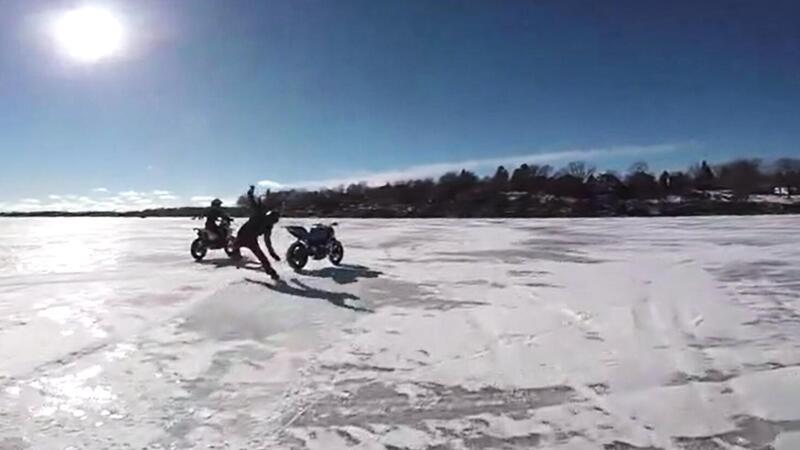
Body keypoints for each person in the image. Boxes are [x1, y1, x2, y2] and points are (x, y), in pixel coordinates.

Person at [233, 185, 282, 280]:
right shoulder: (260, 215)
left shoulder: (264, 219)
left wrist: (273, 254)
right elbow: (252, 201)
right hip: (245, 236)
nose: (272, 222)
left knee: (260, 256)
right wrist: (251, 192)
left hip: (247, 238)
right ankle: (272, 273)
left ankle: (271, 273)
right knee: (261, 257)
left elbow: (268, 242)